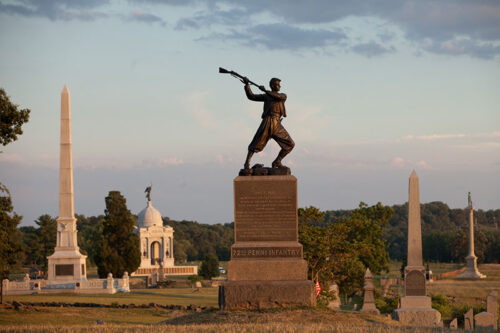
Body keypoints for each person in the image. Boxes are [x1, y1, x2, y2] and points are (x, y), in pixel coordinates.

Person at [242, 76, 295, 169]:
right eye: (277, 84)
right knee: (256, 142)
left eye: (279, 85)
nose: (279, 86)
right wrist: (247, 85)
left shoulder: (282, 96)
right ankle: (247, 164)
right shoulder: (266, 96)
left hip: (277, 124)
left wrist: (265, 91)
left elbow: (278, 96)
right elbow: (251, 96)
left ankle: (277, 162)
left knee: (290, 144)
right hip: (268, 121)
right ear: (272, 85)